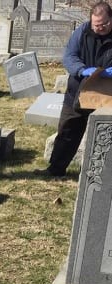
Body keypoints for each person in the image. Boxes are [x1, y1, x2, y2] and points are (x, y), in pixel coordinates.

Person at [39, 2, 112, 177]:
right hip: (80, 88)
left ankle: (103, 175)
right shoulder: (82, 32)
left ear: (111, 19)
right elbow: (69, 56)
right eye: (96, 25)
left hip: (109, 91)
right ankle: (56, 169)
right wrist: (81, 69)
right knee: (68, 129)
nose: (99, 28)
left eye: (103, 24)